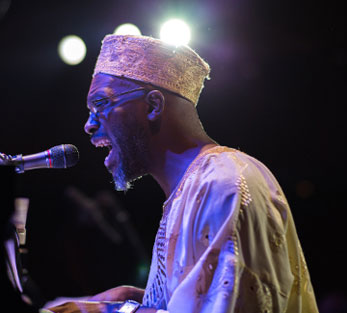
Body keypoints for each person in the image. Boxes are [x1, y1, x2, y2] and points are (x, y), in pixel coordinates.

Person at [46, 34, 319, 313]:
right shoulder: (191, 190)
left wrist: (110, 312)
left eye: (101, 104)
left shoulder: (224, 183)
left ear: (153, 106)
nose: (88, 126)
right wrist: (134, 299)